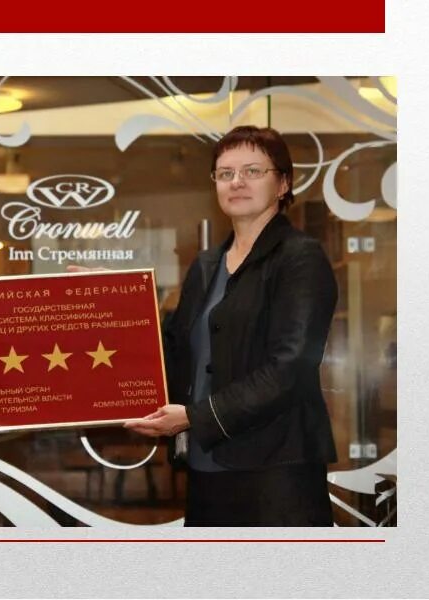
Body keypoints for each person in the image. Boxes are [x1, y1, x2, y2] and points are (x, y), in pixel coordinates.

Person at [124, 125, 338, 526]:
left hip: (277, 471)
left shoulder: (300, 258)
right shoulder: (206, 265)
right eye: (225, 173)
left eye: (253, 171)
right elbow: (173, 350)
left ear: (283, 184)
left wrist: (195, 417)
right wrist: (114, 303)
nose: (237, 182)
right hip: (206, 466)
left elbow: (289, 368)